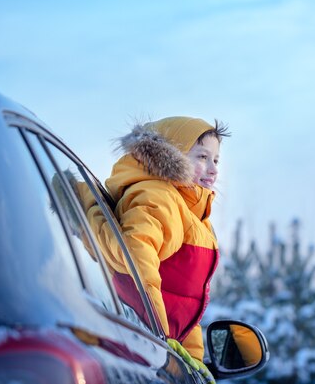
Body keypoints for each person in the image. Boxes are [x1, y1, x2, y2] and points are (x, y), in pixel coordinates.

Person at [82, 116, 229, 382]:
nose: (213, 169)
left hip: (155, 354)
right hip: (140, 349)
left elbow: (185, 302)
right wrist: (159, 336)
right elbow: (136, 260)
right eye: (202, 157)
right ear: (173, 156)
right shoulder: (159, 198)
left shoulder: (194, 216)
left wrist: (193, 363)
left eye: (216, 160)